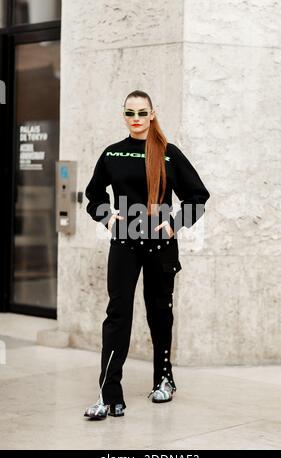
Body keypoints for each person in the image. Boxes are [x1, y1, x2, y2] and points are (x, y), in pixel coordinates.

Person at [83, 90, 210, 420]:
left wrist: (175, 224)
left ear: (152, 114)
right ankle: (109, 393)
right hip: (124, 245)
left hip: (160, 247)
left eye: (142, 112)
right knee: (118, 316)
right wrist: (109, 217)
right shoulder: (112, 154)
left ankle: (164, 380)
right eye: (130, 113)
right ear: (123, 115)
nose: (136, 118)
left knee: (159, 314)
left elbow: (198, 194)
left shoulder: (168, 154)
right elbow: (93, 196)